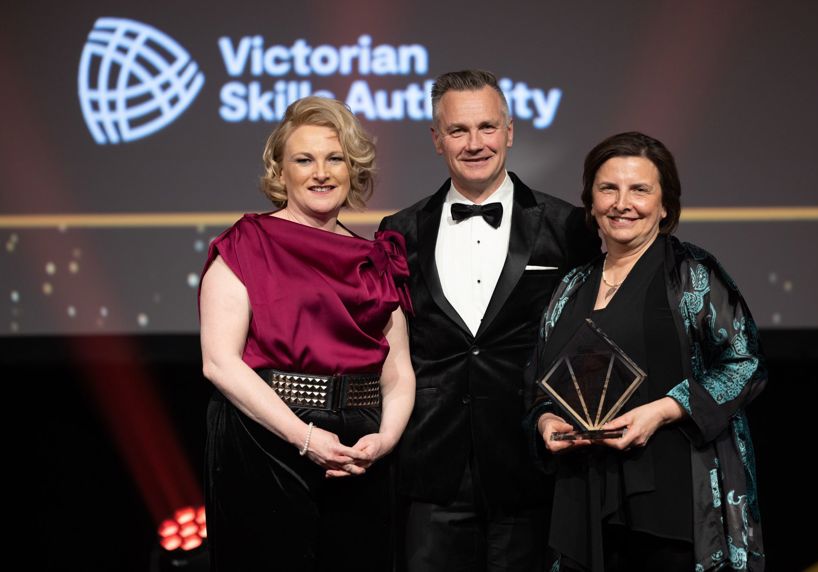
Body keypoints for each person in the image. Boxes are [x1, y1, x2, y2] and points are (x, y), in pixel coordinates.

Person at [379, 69, 600, 571]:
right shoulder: (400, 230)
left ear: (510, 131)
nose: (474, 143)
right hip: (432, 467)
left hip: (532, 463)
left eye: (487, 127)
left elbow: (589, 336)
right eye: (458, 130)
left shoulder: (568, 225)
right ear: (437, 140)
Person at [528, 131, 766, 571]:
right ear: (591, 201)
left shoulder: (692, 273)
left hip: (672, 497)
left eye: (639, 189)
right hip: (583, 494)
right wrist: (545, 419)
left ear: (664, 205)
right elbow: (539, 379)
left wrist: (664, 409)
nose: (623, 203)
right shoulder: (571, 286)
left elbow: (745, 362)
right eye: (608, 189)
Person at [199, 96, 415, 571]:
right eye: (304, 159)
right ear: (280, 172)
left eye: (334, 158)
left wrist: (385, 439)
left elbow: (398, 369)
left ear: (352, 168)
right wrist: (304, 436)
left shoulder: (377, 258)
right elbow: (219, 362)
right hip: (266, 438)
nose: (321, 172)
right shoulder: (247, 243)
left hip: (360, 449)